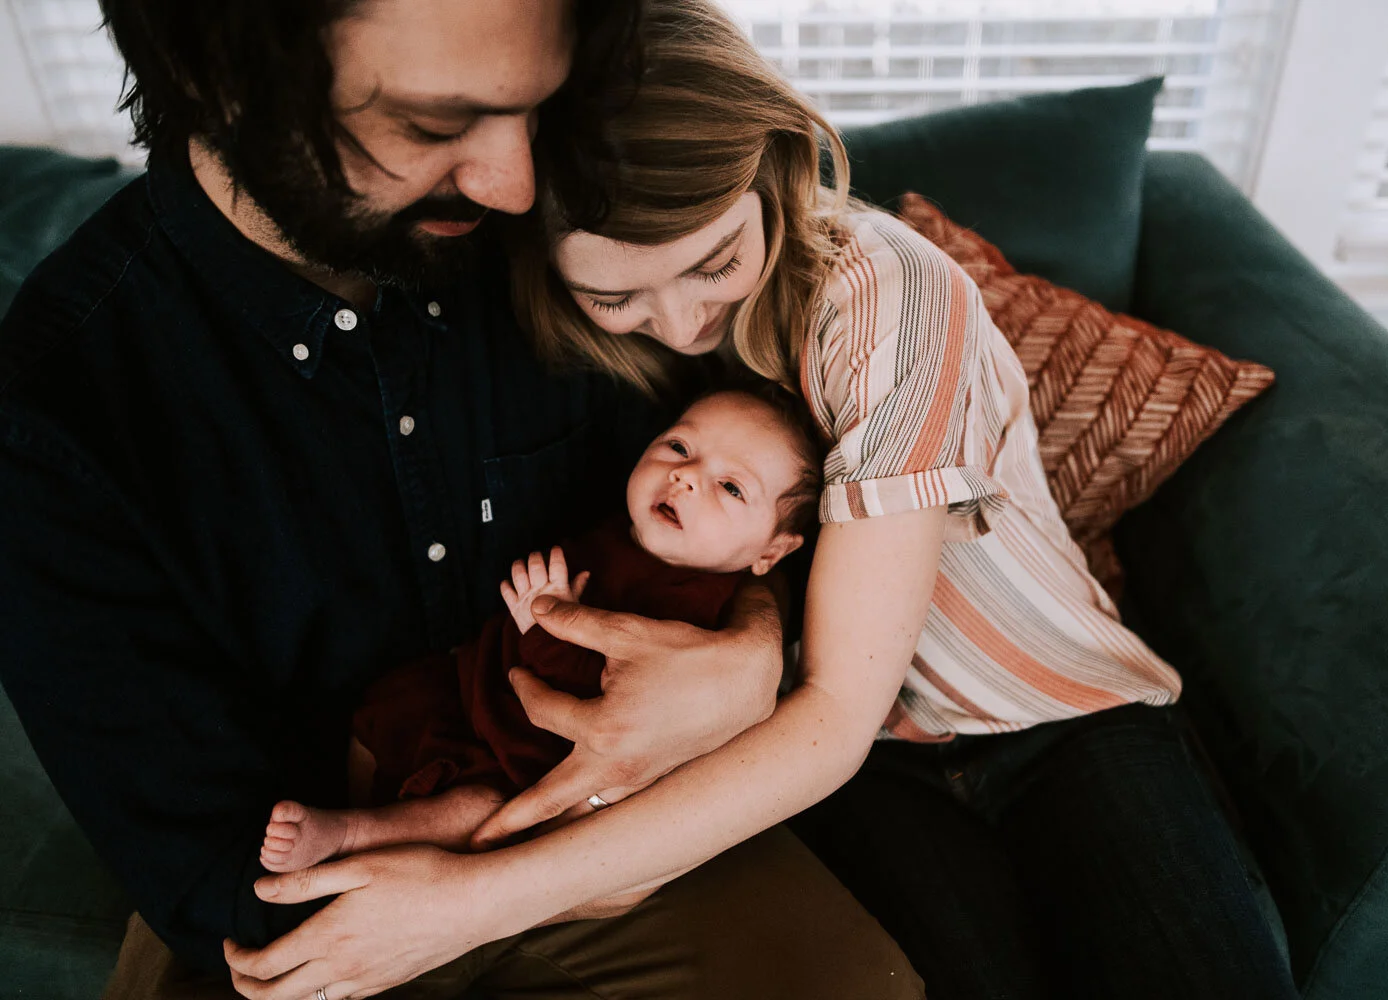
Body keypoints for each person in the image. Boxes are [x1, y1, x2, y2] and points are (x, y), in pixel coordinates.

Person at [354, 1, 1296, 998]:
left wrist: (462, 905)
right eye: (617, 296)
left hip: (1057, 718)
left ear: (779, 166)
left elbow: (837, 710)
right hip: (857, 760)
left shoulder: (885, 298)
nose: (678, 324)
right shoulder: (587, 347)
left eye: (713, 261)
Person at [0, 0, 923, 998]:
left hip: (614, 816)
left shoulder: (563, 240)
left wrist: (749, 647)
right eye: (436, 125)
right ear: (222, 85)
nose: (515, 182)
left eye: (533, 107)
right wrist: (520, 876)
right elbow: (217, 883)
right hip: (327, 887)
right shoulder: (54, 420)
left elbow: (741, 501)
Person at [260, 388, 818, 886]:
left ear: (770, 552)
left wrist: (541, 624)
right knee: (384, 709)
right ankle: (347, 804)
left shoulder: (695, 611)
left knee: (479, 813)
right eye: (678, 447)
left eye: (730, 487)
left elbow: (611, 697)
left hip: (526, 758)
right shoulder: (624, 533)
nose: (686, 475)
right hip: (473, 690)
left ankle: (349, 835)